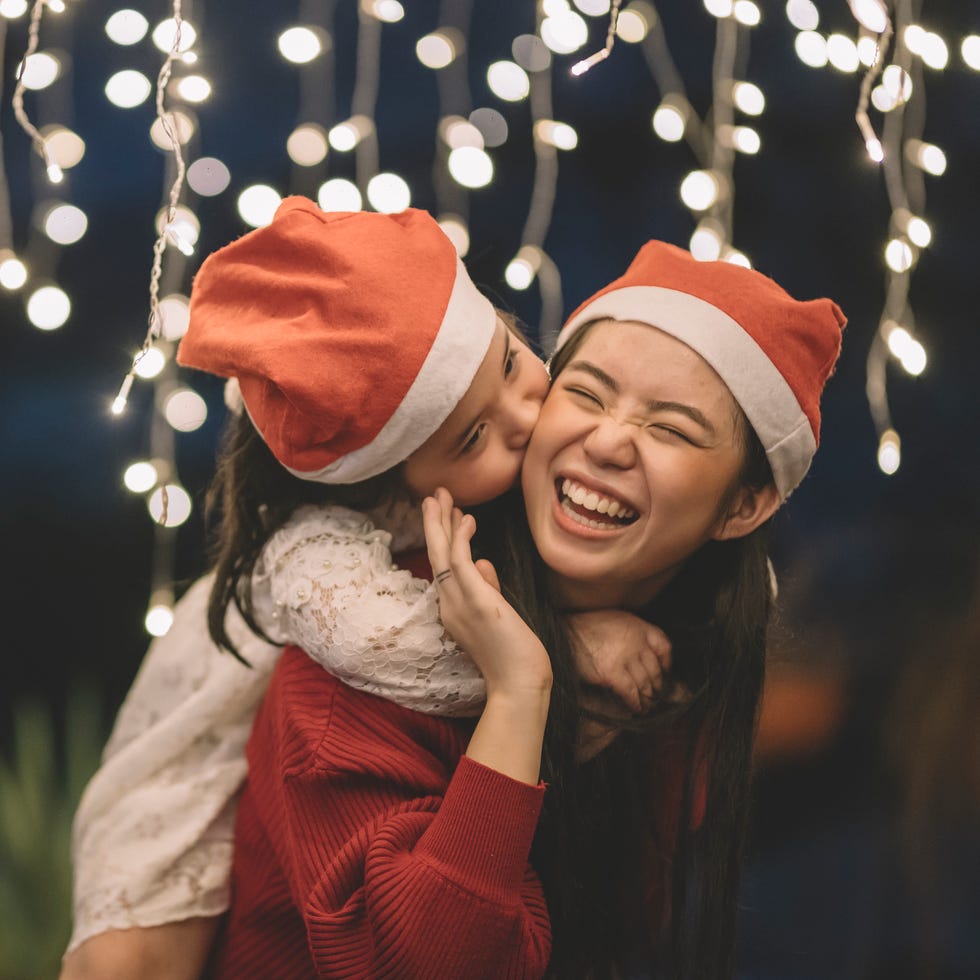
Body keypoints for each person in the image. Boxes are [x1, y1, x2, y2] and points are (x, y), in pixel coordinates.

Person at [62, 200, 668, 979]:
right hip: (185, 780)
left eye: (512, 363)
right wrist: (567, 647)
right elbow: (385, 644)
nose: (526, 415)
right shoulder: (317, 558)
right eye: (473, 436)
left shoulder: (467, 495)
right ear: (395, 477)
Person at [207, 241, 845, 978]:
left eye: (669, 428)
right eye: (586, 393)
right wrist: (519, 691)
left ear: (743, 506)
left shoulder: (674, 668)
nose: (607, 441)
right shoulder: (359, 658)